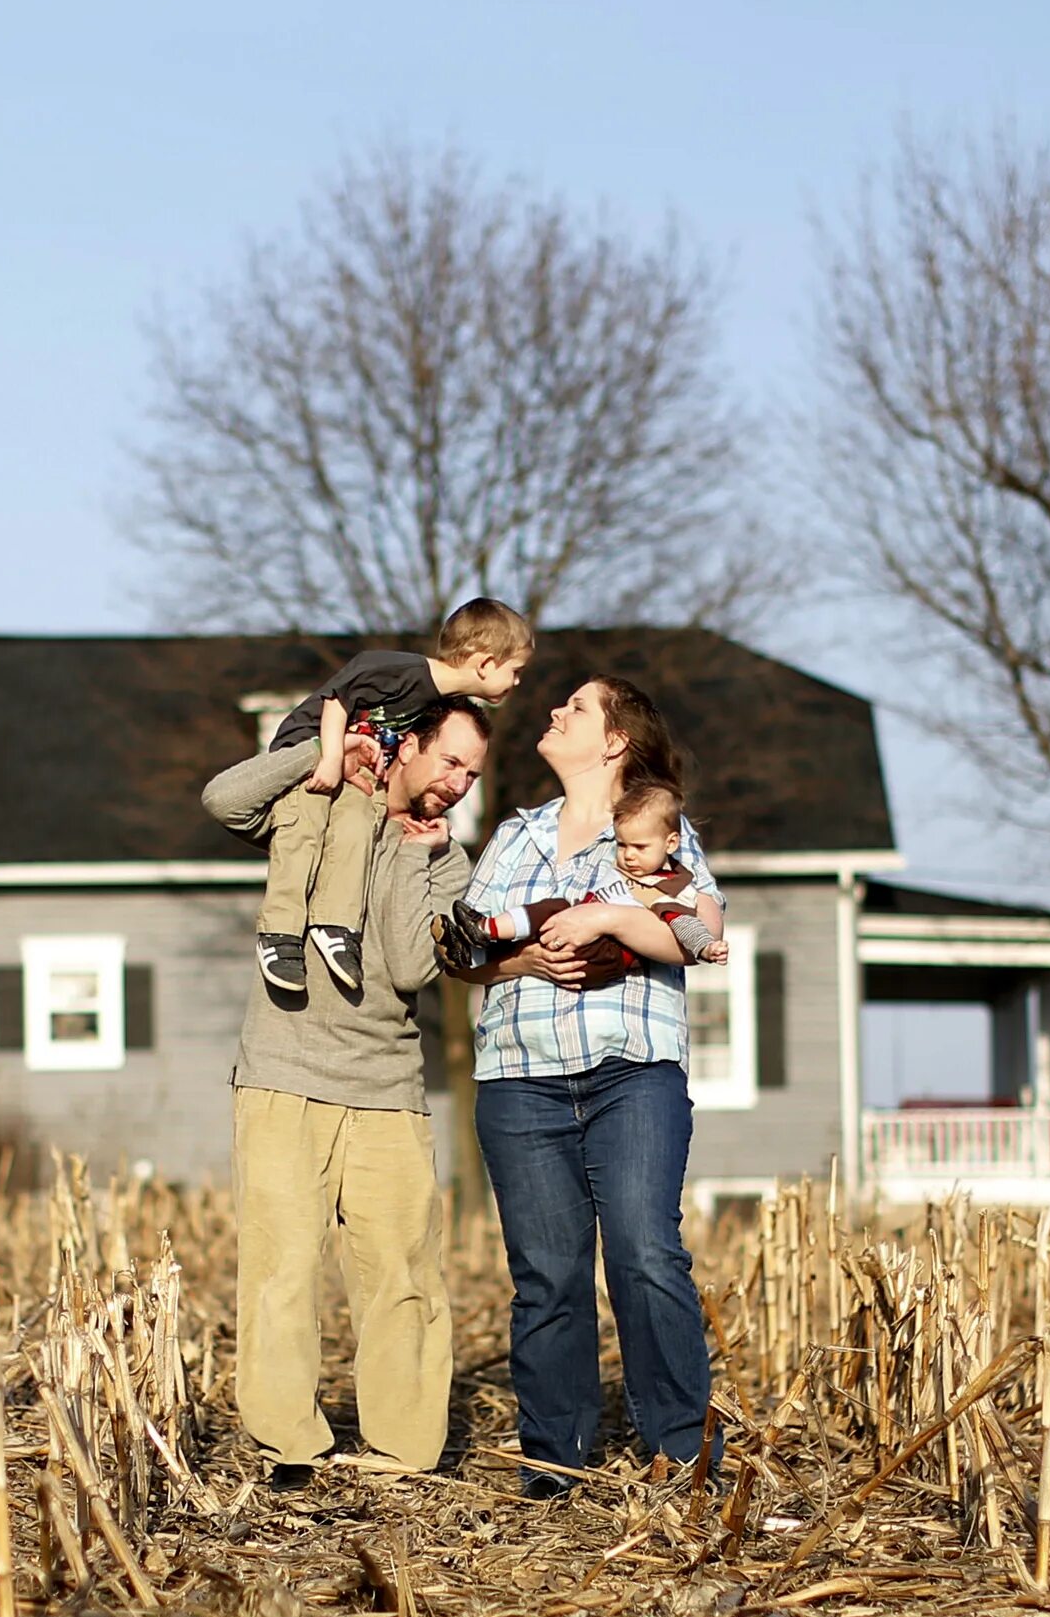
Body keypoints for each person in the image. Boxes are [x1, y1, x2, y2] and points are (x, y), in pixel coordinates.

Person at [445, 677, 724, 1499]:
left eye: (575, 708)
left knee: (644, 1252)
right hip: (519, 1076)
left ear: (613, 741)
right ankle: (555, 1458)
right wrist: (523, 959)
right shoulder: (513, 836)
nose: (555, 713)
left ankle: (679, 1447)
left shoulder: (657, 832)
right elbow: (464, 950)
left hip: (630, 1069)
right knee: (547, 1274)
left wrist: (604, 919)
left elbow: (700, 935)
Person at [202, 692, 490, 1488]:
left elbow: (404, 966)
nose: (460, 783)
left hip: (388, 1089)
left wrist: (422, 854)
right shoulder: (316, 799)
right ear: (406, 746)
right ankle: (288, 1443)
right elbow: (224, 799)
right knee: (282, 1269)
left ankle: (403, 1452)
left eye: (473, 772)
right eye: (451, 760)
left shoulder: (448, 861)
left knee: (402, 1277)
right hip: (283, 1075)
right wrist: (326, 756)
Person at [255, 599, 531, 997]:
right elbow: (337, 700)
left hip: (352, 774)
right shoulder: (400, 671)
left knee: (354, 827)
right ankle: (280, 934)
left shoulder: (431, 705)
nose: (518, 682)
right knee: (305, 839)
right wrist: (329, 758)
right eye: (515, 671)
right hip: (310, 757)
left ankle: (333, 927)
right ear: (486, 664)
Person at [442, 777, 727, 966]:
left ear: (671, 843)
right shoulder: (621, 868)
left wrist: (706, 948)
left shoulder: (666, 889)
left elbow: (686, 925)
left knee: (582, 941)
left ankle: (486, 941)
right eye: (622, 845)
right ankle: (483, 930)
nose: (628, 855)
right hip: (573, 925)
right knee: (554, 907)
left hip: (604, 953)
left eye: (639, 847)